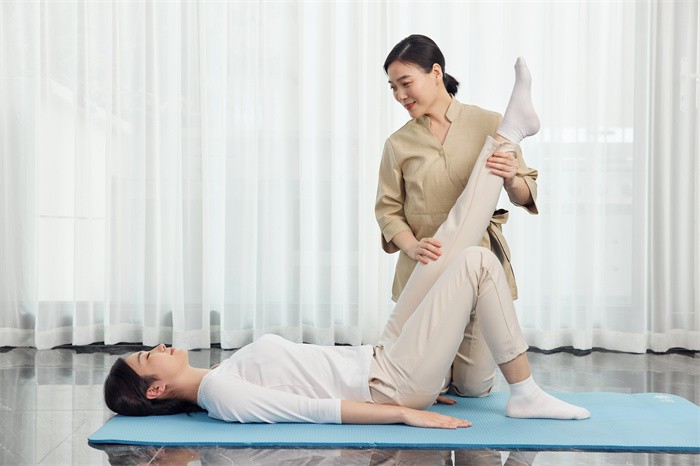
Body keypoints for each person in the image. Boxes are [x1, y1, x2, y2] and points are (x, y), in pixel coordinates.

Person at [103, 57, 590, 429]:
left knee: (454, 241)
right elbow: (315, 410)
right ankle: (525, 393)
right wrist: (405, 412)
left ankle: (510, 131)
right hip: (389, 384)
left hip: (382, 355)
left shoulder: (221, 374)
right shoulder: (222, 395)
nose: (159, 345)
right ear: (155, 390)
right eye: (148, 356)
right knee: (477, 261)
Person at [376, 34, 539, 399]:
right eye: (393, 88)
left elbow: (526, 192)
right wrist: (412, 246)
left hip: (478, 262)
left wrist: (511, 177)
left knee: (472, 388)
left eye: (405, 83)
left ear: (436, 73)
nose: (400, 95)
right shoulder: (398, 144)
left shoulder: (487, 123)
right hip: (425, 267)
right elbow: (387, 210)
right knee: (426, 382)